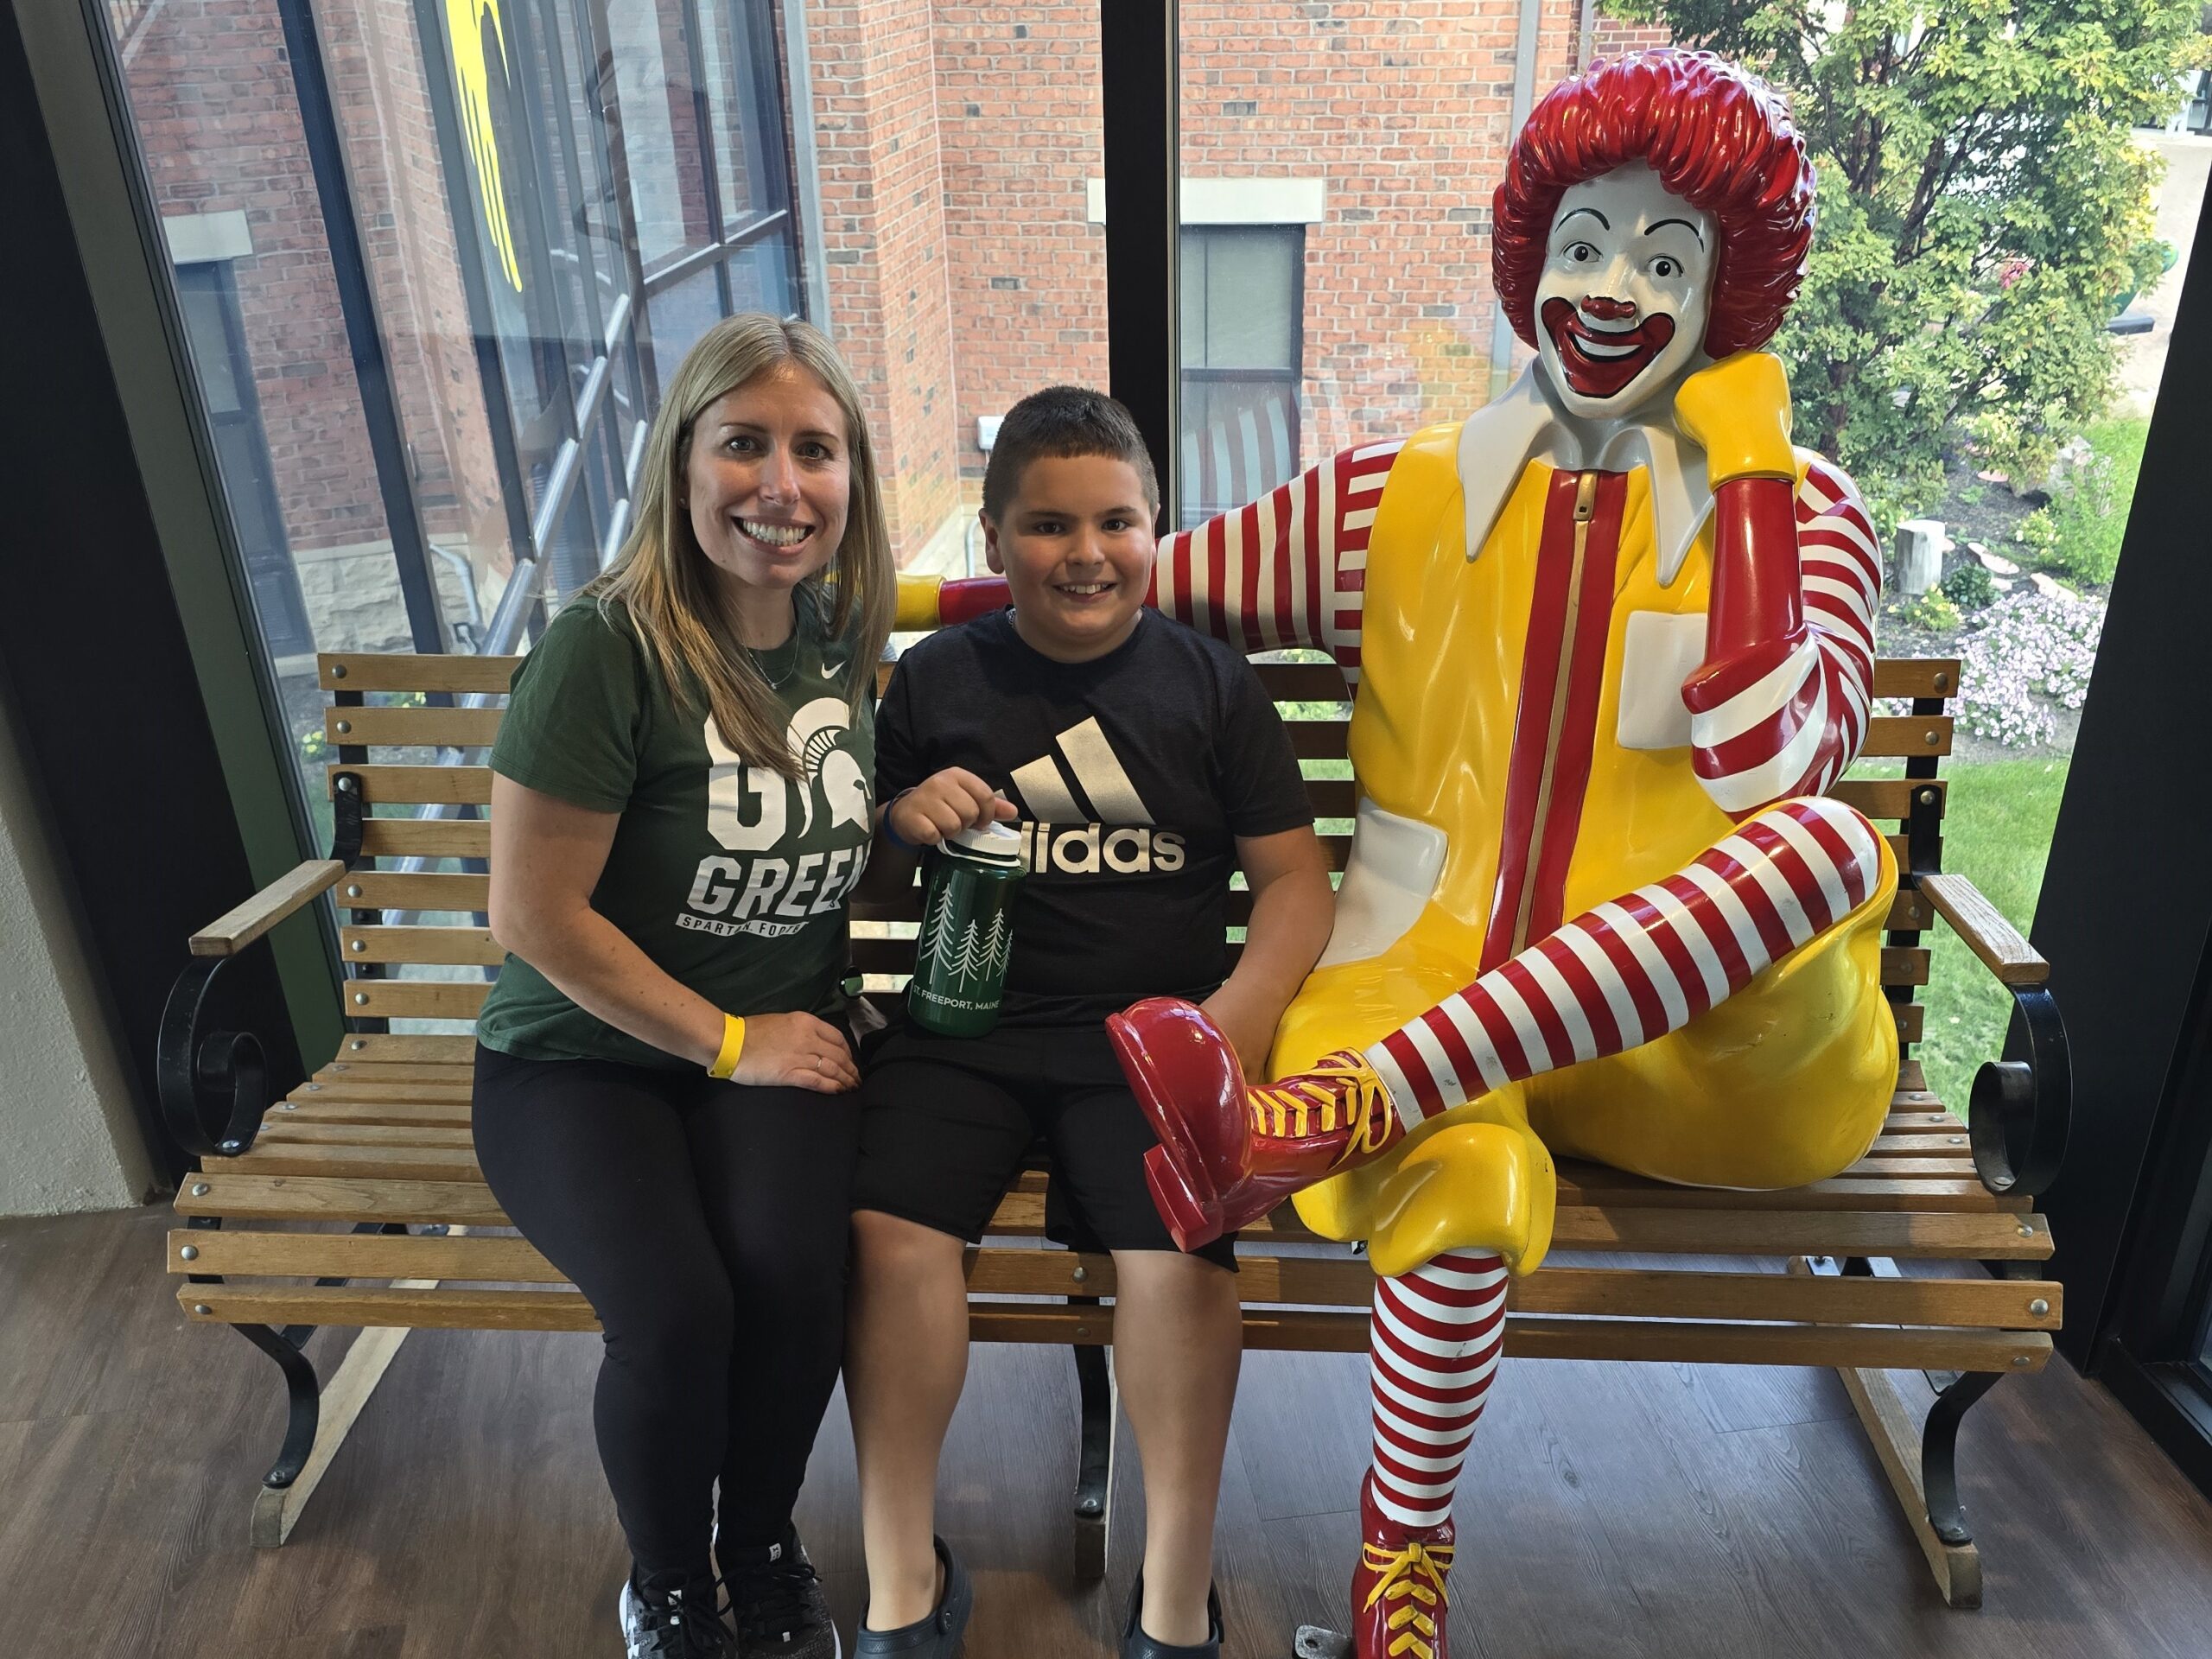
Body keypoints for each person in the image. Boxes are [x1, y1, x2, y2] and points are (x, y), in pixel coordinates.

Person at [1106, 51, 1896, 1659]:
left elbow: (1771, 755)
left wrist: (1746, 469)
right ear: (1529, 252)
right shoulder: (1377, 507)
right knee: (1460, 1189)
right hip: (1415, 973)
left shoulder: (1805, 510)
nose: (1613, 287)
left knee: (1823, 841)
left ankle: (1326, 1118)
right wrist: (829, 612)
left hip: (1717, 1056)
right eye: (1588, 239)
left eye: (1671, 260)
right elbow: (1110, 591)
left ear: (1732, 298)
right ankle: (1403, 1581)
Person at [842, 387, 1335, 1659]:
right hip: (963, 1029)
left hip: (1150, 1037)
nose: (1086, 553)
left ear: (1156, 529)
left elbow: (1293, 884)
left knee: (1177, 1259)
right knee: (891, 1240)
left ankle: (1174, 1592)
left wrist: (1228, 1024)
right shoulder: (939, 677)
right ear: (995, 539)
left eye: (1117, 522)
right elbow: (869, 883)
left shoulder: (1210, 688)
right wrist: (902, 824)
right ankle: (900, 1579)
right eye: (1049, 525)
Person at [472, 313, 894, 1659]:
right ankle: (666, 1584)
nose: (782, 484)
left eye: (814, 450)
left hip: (774, 1040)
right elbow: (530, 912)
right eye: (745, 444)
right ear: (681, 463)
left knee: (792, 1278)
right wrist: (729, 1043)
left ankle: (761, 1548)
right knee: (673, 1308)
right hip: (578, 1056)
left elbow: (793, 835)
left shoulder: (836, 640)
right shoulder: (607, 648)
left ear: (853, 481)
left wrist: (913, 816)